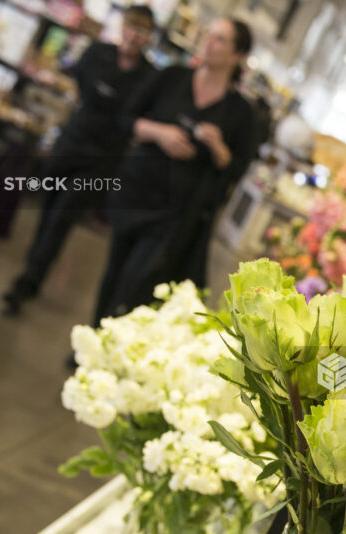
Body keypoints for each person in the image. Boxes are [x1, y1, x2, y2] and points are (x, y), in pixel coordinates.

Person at [90, 17, 257, 325]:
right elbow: (127, 119)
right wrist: (159, 132)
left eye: (220, 39)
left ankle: (111, 342)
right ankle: (91, 338)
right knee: (114, 271)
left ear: (237, 55)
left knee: (137, 280)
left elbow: (236, 169)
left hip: (176, 212)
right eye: (210, 35)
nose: (209, 42)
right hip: (138, 190)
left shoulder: (240, 112)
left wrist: (219, 146)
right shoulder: (172, 77)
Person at [0, 6, 156, 316]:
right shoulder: (97, 54)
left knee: (62, 217)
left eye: (142, 31)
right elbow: (78, 86)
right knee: (47, 211)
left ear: (148, 37)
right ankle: (33, 267)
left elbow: (137, 120)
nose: (134, 36)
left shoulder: (149, 78)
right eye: (131, 27)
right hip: (70, 144)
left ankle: (28, 280)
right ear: (122, 27)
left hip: (102, 160)